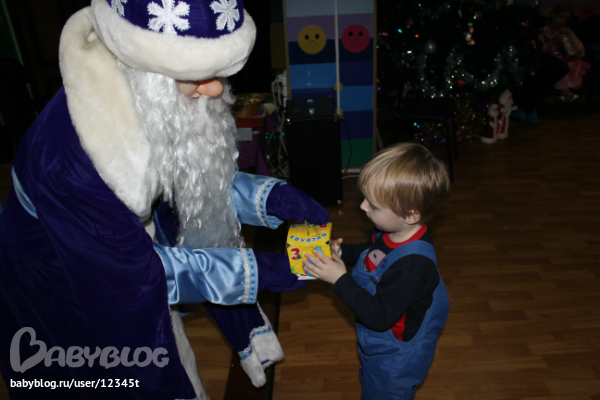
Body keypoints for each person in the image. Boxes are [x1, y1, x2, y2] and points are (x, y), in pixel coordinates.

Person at [0, 0, 328, 399]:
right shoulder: (75, 160)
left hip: (121, 248)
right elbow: (134, 278)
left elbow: (190, 177)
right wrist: (259, 270)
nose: (217, 89)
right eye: (198, 76)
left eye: (220, 73)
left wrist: (270, 196)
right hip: (64, 285)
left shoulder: (150, 94)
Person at [303, 143, 450, 400]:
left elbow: (379, 317)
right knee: (372, 383)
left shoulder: (412, 268)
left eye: (373, 205)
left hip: (396, 359)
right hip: (377, 346)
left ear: (411, 215)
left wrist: (339, 279)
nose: (363, 207)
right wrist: (342, 253)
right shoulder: (391, 231)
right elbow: (373, 252)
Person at [540, 2, 591, 102]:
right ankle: (564, 91)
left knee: (574, 65)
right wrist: (554, 41)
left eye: (565, 19)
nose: (562, 21)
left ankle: (567, 90)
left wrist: (580, 52)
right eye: (561, 17)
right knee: (561, 66)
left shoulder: (566, 30)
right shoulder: (545, 30)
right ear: (553, 15)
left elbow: (577, 43)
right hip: (551, 57)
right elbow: (542, 48)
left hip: (565, 56)